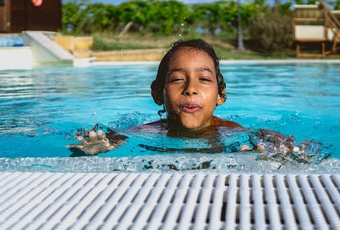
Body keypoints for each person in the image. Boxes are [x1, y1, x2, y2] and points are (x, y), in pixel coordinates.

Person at [68, 39, 307, 158]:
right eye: (177, 79)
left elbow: (264, 137)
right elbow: (112, 140)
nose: (191, 89)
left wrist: (280, 149)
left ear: (220, 96)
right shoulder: (145, 131)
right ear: (157, 94)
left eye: (204, 79)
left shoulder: (234, 131)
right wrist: (98, 146)